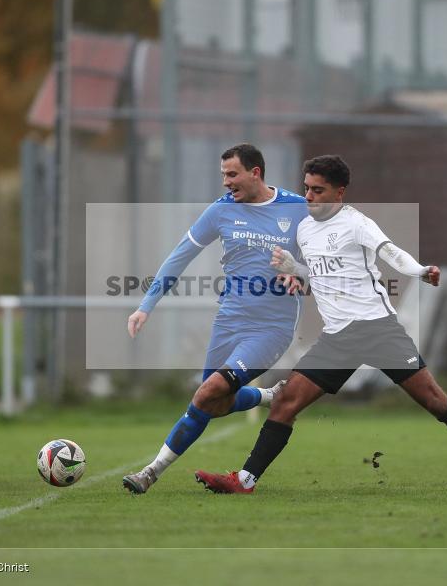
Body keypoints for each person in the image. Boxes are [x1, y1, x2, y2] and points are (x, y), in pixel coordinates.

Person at [194, 155, 447, 496]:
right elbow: (320, 273)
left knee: (435, 401)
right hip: (337, 339)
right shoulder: (305, 228)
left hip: (378, 331)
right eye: (307, 189)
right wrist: (293, 267)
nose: (309, 197)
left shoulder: (357, 223)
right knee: (286, 404)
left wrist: (420, 270)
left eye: (318, 190)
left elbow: (392, 253)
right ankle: (245, 481)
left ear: (339, 193)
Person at [122, 143, 308, 494]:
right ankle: (267, 396)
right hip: (229, 321)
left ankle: (150, 472)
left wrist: (300, 273)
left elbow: (327, 261)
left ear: (255, 173)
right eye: (223, 175)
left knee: (208, 391)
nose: (226, 182)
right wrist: (146, 305)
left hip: (272, 328)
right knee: (211, 402)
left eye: (232, 174)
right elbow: (180, 256)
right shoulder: (221, 211)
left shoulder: (298, 209)